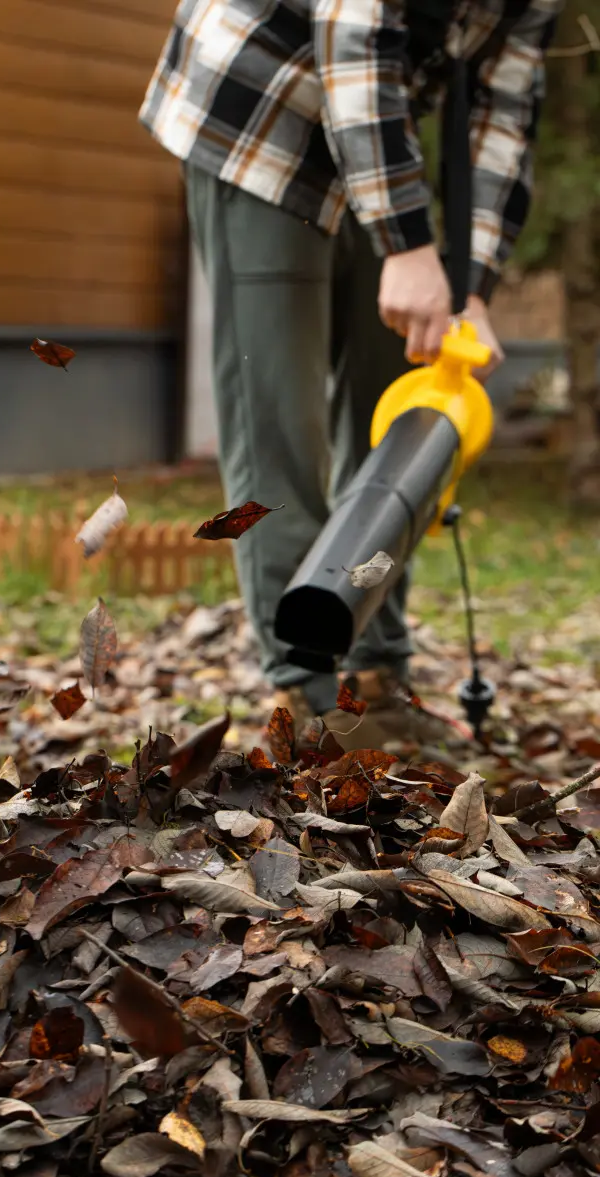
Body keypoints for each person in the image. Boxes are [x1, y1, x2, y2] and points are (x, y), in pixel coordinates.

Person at [140, 0, 562, 746]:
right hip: (258, 107)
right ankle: (302, 688)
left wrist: (468, 290)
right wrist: (405, 241)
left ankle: (371, 668)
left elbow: (503, 117)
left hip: (373, 127)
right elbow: (353, 30)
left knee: (396, 405)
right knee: (280, 419)